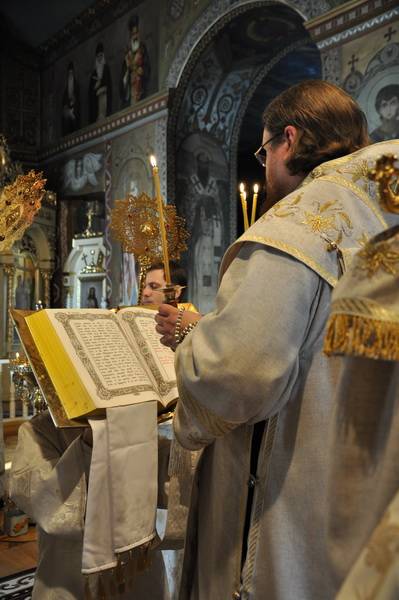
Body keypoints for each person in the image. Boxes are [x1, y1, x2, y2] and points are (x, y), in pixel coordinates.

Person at [154, 80, 397, 599]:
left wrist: (191, 347)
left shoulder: (299, 224)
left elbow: (236, 374)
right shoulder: (383, 215)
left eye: (264, 151)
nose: (264, 169)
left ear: (289, 140)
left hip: (298, 503)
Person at [120, 15, 149, 108]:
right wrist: (127, 70)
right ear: (130, 35)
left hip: (140, 84)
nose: (135, 36)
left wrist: (143, 70)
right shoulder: (127, 52)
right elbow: (123, 72)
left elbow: (147, 65)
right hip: (130, 84)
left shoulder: (142, 48)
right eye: (133, 34)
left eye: (136, 33)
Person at [88, 42, 112, 124]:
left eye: (101, 55)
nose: (100, 58)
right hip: (96, 105)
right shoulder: (94, 74)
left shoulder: (106, 69)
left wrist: (103, 88)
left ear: (103, 56)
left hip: (105, 100)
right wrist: (95, 87)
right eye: (98, 56)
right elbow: (90, 94)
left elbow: (110, 86)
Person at [62, 61, 80, 136]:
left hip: (74, 110)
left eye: (71, 73)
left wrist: (74, 102)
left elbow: (78, 100)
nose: (70, 75)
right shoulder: (66, 89)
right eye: (69, 73)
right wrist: (66, 107)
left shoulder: (76, 86)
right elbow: (64, 101)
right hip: (68, 110)